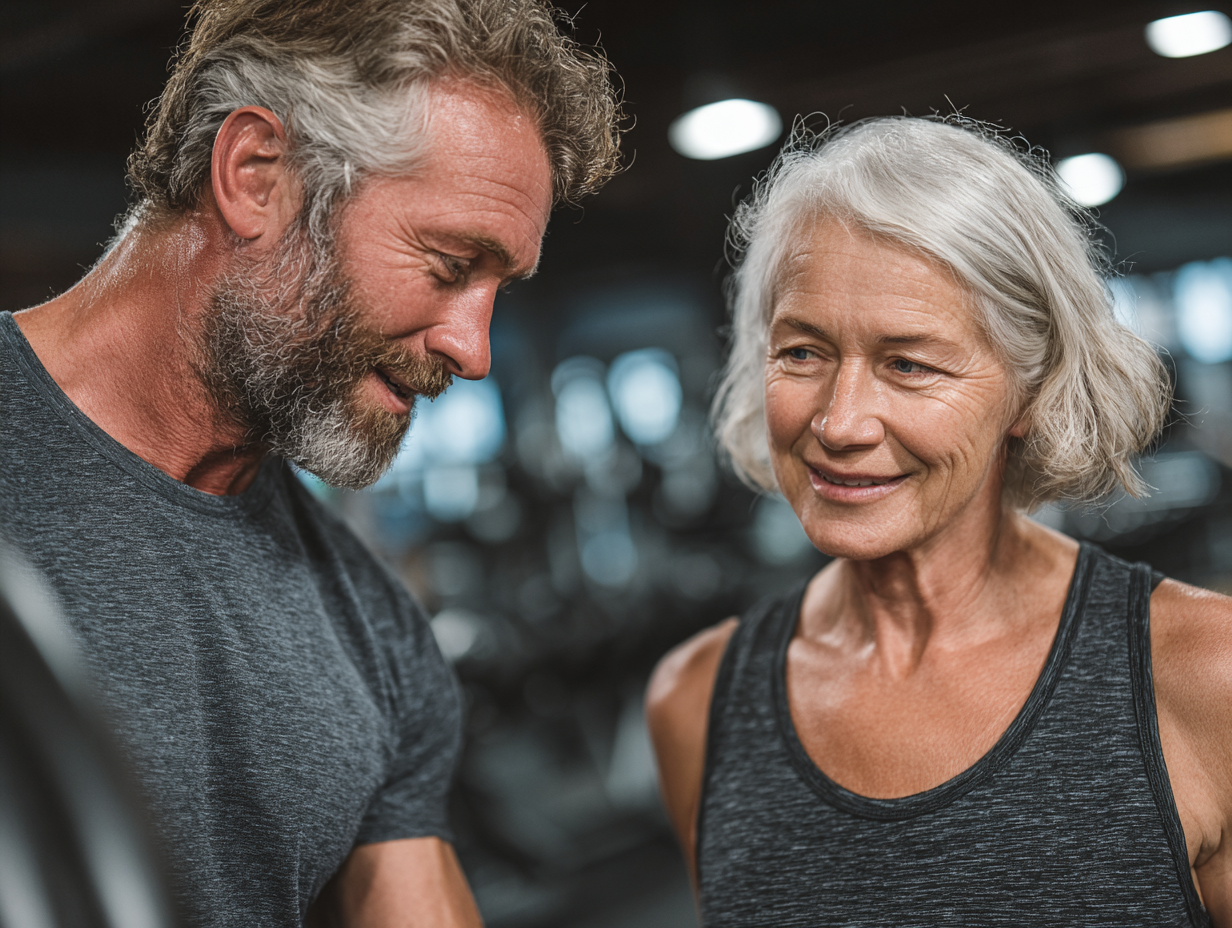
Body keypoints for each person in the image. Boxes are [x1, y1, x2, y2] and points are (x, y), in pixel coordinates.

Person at [0, 1, 620, 924]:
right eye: (451, 264)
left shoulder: (372, 632)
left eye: (498, 291)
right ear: (257, 176)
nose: (474, 348)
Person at [647, 117, 1231, 925]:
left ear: (1030, 390)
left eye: (909, 364)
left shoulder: (1205, 676)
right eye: (803, 353)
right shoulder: (696, 702)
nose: (841, 422)